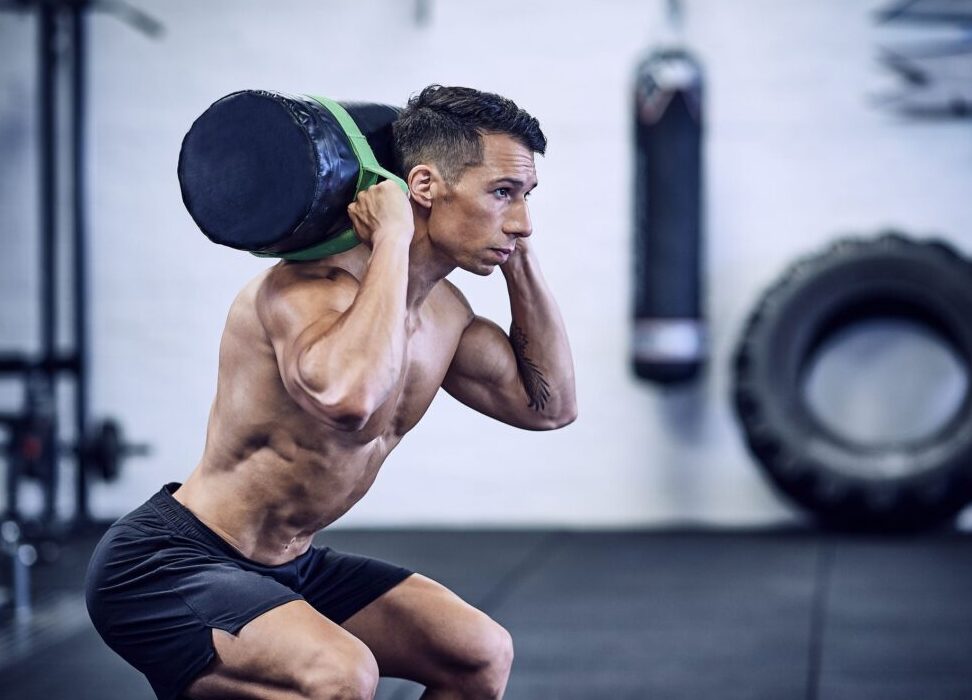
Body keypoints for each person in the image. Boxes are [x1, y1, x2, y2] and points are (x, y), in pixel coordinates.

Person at [86, 84, 577, 700]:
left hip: (288, 566)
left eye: (527, 196)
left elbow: (550, 407)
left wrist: (518, 257)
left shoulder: (447, 317)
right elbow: (352, 399)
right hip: (169, 566)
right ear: (422, 188)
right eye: (503, 193)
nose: (523, 219)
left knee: (478, 654)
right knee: (340, 674)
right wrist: (393, 238)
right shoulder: (303, 294)